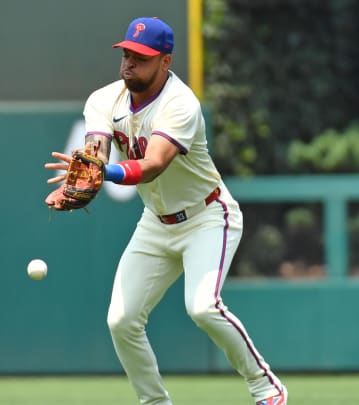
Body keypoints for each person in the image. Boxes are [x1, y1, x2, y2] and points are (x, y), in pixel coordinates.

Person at [45, 16, 288, 405]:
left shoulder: (181, 104)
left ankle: (266, 387)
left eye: (141, 57)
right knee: (121, 321)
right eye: (126, 54)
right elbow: (96, 151)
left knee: (203, 307)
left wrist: (103, 172)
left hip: (208, 217)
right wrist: (88, 171)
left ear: (165, 61)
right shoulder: (103, 99)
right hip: (155, 224)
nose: (129, 63)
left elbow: (154, 163)